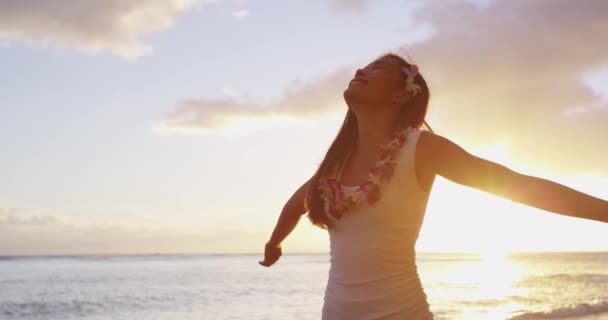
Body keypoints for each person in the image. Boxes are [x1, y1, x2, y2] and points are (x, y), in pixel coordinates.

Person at [258, 51, 608, 319]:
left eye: (379, 68)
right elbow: (295, 206)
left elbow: (517, 185)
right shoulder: (335, 167)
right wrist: (274, 244)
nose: (361, 71)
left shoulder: (421, 149)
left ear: (401, 94)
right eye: (363, 66)